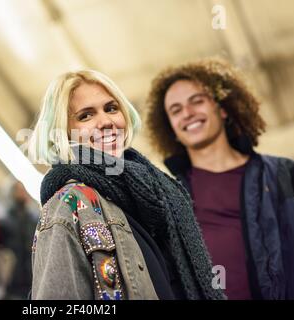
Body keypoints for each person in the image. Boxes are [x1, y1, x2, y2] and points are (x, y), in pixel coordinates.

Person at [28, 69, 225, 300]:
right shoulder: (68, 204)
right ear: (61, 132)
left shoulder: (156, 193)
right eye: (86, 116)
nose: (106, 122)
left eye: (111, 108)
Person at [145, 58, 294, 299]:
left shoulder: (283, 174)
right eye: (176, 110)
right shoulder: (167, 198)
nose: (188, 113)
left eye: (197, 101)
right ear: (171, 128)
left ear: (222, 108)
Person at [0, 181, 38, 299]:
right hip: (13, 279)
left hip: (31, 276)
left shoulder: (34, 220)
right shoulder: (4, 222)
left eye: (24, 190)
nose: (22, 193)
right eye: (18, 190)